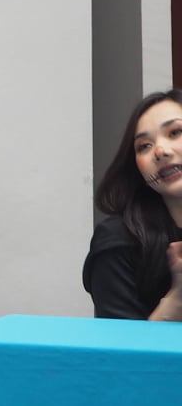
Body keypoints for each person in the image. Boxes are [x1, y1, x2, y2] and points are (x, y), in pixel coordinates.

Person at [83, 89, 182, 321]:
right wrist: (177, 301)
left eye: (175, 132)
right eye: (144, 146)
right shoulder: (118, 241)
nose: (160, 152)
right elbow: (119, 344)